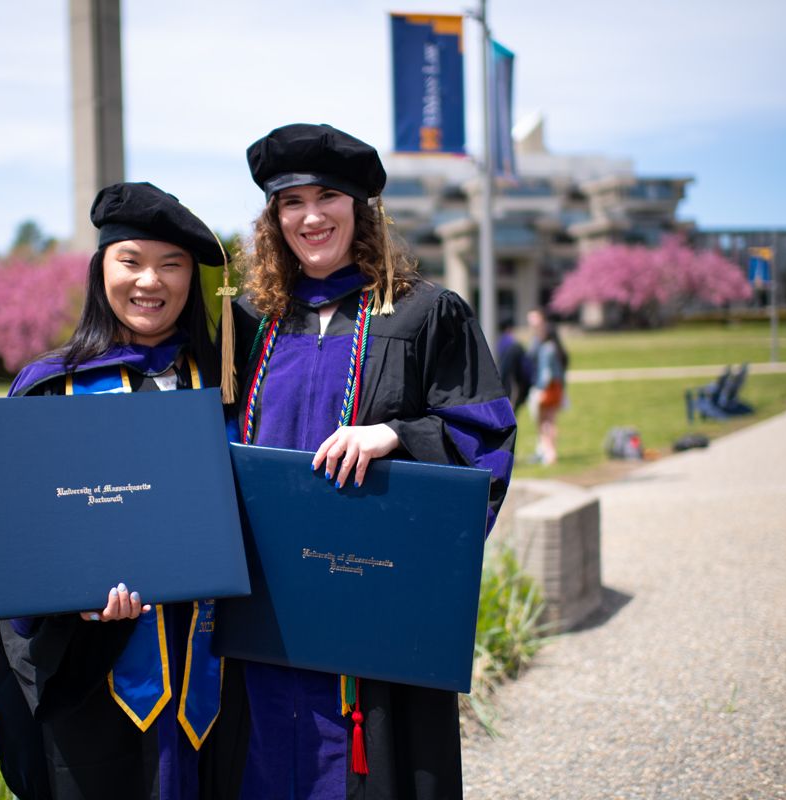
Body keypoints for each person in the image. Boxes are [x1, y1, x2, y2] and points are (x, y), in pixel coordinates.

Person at [214, 123, 517, 800]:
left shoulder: (425, 314)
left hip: (374, 601)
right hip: (264, 602)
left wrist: (398, 436)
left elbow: (484, 436)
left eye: (328, 196)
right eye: (291, 201)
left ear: (362, 209)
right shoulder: (246, 321)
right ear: (273, 217)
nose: (310, 215)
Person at [0, 181, 232, 800]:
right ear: (101, 272)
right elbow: (20, 544)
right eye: (131, 261)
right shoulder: (48, 390)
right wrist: (72, 600)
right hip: (96, 679)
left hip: (222, 677)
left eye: (172, 265)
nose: (151, 281)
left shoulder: (230, 383)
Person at [527, 307, 569, 465]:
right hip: (556, 388)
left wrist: (540, 390)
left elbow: (546, 373)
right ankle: (549, 452)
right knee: (550, 421)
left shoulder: (546, 348)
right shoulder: (555, 347)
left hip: (547, 389)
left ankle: (549, 453)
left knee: (545, 422)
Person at [494, 312, 532, 412]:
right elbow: (525, 370)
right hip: (512, 389)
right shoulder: (514, 345)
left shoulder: (499, 343)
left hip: (500, 389)